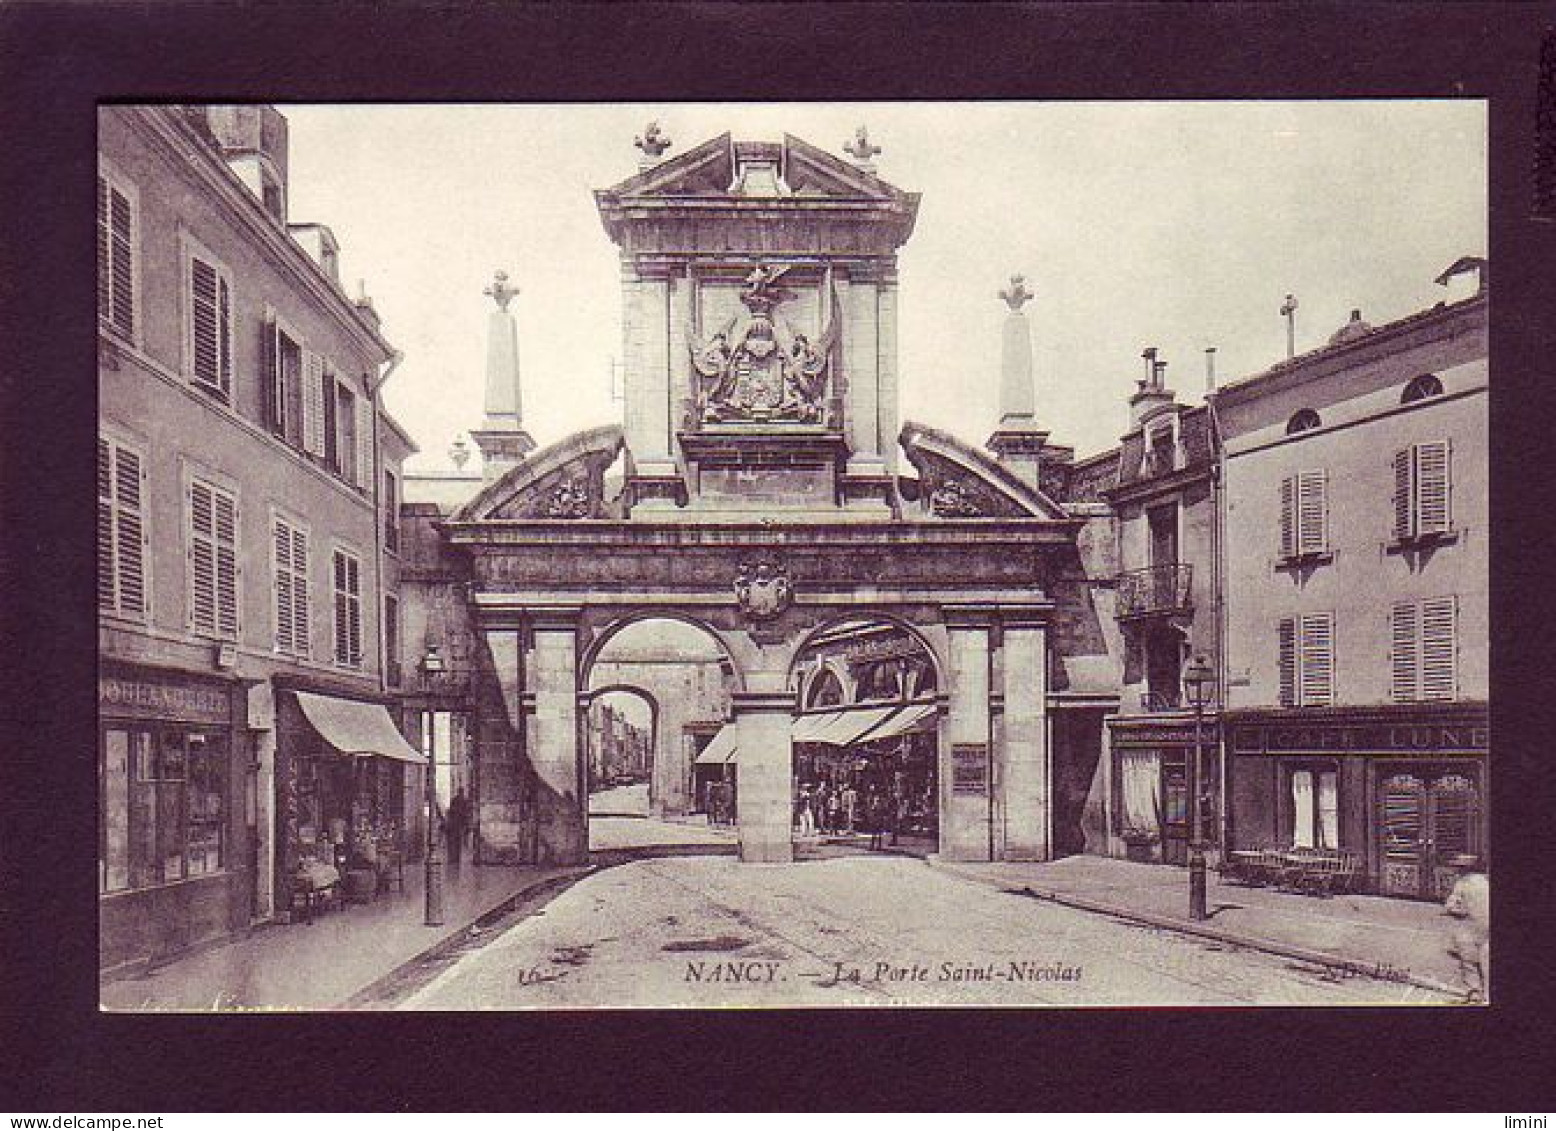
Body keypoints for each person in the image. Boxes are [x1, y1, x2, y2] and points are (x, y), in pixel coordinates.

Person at [1443, 866, 1489, 1003]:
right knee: (1486, 961)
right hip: (1488, 927)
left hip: (1470, 927)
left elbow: (1451, 907)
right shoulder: (1486, 881)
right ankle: (1488, 995)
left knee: (1468, 960)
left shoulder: (1462, 884)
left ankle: (1474, 992)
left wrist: (1453, 910)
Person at [446, 788, 470, 865]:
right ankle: (456, 859)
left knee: (453, 842)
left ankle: (453, 858)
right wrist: (466, 824)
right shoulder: (464, 801)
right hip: (459, 824)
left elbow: (451, 811)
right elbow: (466, 813)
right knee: (457, 842)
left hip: (454, 824)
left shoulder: (455, 800)